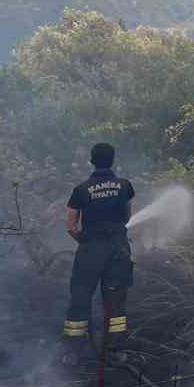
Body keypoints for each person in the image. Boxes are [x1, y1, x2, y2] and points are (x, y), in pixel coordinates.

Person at [62, 142, 136, 345]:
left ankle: (74, 347)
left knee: (80, 296)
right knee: (116, 301)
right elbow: (127, 216)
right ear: (112, 160)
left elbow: (70, 226)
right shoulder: (125, 186)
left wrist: (85, 241)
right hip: (119, 250)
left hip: (90, 251)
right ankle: (115, 347)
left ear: (92, 161)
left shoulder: (81, 190)